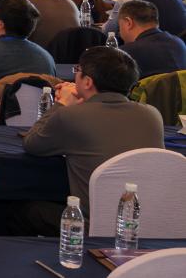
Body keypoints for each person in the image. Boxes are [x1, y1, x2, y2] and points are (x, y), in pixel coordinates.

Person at [18, 46, 164, 232]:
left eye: (77, 70)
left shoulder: (71, 116)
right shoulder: (152, 115)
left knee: (22, 211)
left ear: (87, 82)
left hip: (89, 226)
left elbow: (32, 144)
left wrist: (61, 104)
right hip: (143, 223)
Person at [117, 0, 186, 79]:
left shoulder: (126, 54)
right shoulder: (179, 43)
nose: (119, 32)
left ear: (129, 22)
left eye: (119, 26)